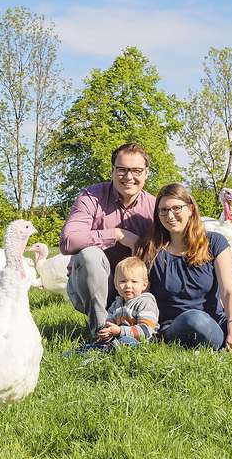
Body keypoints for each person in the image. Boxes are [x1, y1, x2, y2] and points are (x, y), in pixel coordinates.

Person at [135, 183, 232, 354]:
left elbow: (229, 291)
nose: (170, 215)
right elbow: (143, 296)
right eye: (163, 210)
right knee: (194, 318)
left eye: (176, 208)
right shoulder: (150, 250)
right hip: (179, 325)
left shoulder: (215, 242)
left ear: (190, 209)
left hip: (218, 322)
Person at [60, 143, 155, 338]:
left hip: (136, 288)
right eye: (122, 170)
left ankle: (148, 324)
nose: (129, 177)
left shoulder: (155, 206)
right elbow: (68, 241)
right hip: (90, 286)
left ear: (146, 173)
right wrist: (117, 234)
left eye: (136, 170)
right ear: (112, 171)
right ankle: (101, 332)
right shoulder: (91, 196)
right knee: (90, 255)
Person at [80, 256, 159, 352]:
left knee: (125, 341)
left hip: (141, 343)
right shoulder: (116, 304)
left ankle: (102, 351)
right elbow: (109, 323)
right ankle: (83, 351)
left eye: (134, 281)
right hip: (118, 339)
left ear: (144, 285)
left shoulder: (146, 303)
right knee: (99, 343)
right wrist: (107, 331)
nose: (128, 286)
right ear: (116, 284)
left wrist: (119, 331)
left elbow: (146, 330)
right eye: (123, 281)